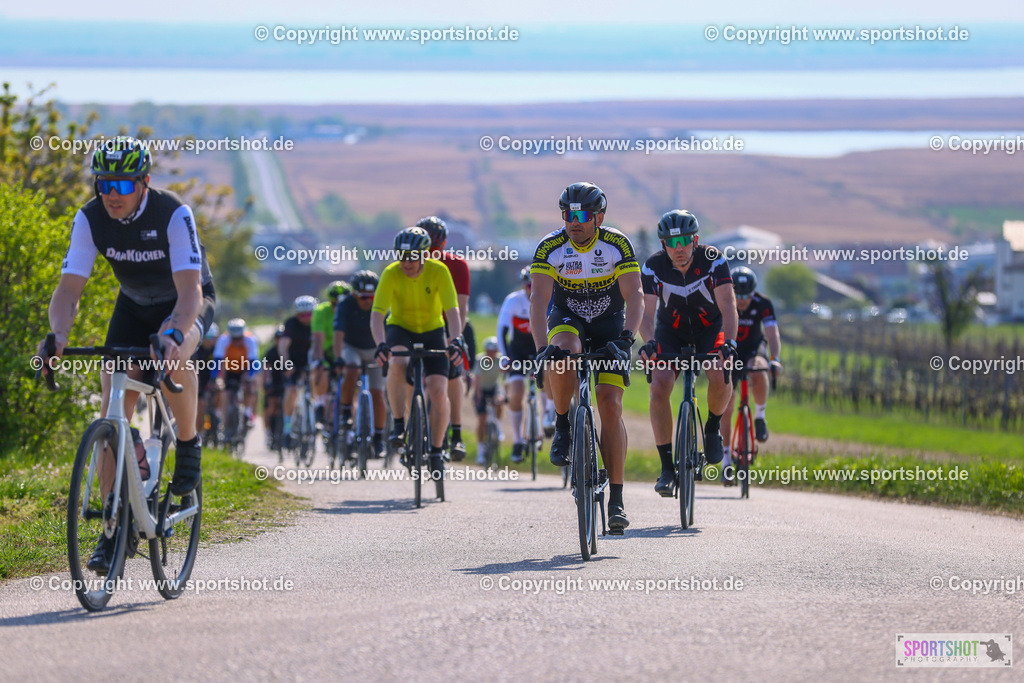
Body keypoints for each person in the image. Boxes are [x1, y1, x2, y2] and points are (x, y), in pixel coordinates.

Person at [39, 135, 215, 574]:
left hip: (184, 302)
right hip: (133, 307)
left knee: (174, 355)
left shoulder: (172, 212)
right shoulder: (90, 217)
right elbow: (68, 290)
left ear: (143, 182)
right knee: (111, 410)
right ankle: (112, 529)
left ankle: (188, 444)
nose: (111, 194)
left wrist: (173, 333)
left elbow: (191, 291)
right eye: (103, 184)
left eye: (121, 185)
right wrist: (58, 335)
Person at [530, 181, 644, 533]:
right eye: (568, 215)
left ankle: (617, 499)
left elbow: (635, 296)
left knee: (610, 405)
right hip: (568, 318)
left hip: (610, 324)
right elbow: (538, 300)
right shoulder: (551, 247)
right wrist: (541, 348)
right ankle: (563, 424)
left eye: (582, 216)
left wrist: (628, 338)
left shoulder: (616, 244)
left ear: (599, 218)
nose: (573, 222)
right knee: (564, 352)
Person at [637, 210, 738, 498]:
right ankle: (667, 468)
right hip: (671, 331)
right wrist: (650, 342)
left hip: (709, 329)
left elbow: (728, 305)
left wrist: (730, 342)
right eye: (671, 242)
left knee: (720, 371)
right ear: (663, 244)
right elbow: (646, 312)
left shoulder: (713, 260)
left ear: (695, 240)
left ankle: (712, 427)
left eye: (684, 241)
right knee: (659, 385)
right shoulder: (653, 266)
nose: (678, 248)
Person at [372, 227, 466, 475]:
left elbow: (453, 312)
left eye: (412, 257)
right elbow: (377, 314)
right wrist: (380, 343)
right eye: (402, 257)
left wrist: (456, 340)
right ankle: (398, 425)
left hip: (433, 330)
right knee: (397, 363)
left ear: (425, 255)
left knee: (438, 388)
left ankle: (436, 450)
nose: (406, 263)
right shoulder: (391, 273)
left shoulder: (439, 271)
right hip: (400, 328)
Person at [720, 266, 782, 483]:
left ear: (754, 292)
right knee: (727, 402)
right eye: (738, 295)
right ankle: (726, 459)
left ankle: (760, 416)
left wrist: (775, 358)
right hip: (731, 352)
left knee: (760, 368)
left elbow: (772, 333)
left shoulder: (763, 303)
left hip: (754, 348)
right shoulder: (723, 301)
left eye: (747, 295)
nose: (743, 300)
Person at [416, 216, 470, 461]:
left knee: (454, 372)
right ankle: (410, 427)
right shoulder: (410, 265)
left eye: (436, 248)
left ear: (444, 244)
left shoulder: (457, 265)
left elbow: (461, 307)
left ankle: (456, 432)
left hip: (449, 324)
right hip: (419, 324)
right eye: (427, 248)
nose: (431, 254)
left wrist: (454, 338)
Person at [333, 270, 387, 458]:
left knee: (378, 393)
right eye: (363, 297)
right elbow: (338, 333)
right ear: (354, 294)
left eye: (371, 297)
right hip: (352, 347)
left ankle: (378, 437)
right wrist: (338, 357)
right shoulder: (344, 304)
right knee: (352, 369)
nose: (367, 301)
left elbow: (390, 330)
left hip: (374, 349)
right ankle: (347, 409)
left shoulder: (383, 303)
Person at [497, 267, 545, 463]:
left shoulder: (548, 298)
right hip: (517, 352)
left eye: (535, 285)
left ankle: (547, 419)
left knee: (548, 384)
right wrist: (505, 357)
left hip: (539, 349)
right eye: (528, 285)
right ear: (524, 285)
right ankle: (517, 441)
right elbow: (502, 330)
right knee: (516, 392)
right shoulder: (513, 301)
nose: (531, 288)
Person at [311, 280, 350, 425]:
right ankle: (320, 403)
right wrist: (320, 360)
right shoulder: (321, 311)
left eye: (341, 304)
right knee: (320, 370)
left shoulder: (351, 310)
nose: (338, 307)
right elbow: (318, 340)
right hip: (327, 351)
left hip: (346, 351)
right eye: (334, 304)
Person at [279, 295, 316, 445]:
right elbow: (283, 345)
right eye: (302, 315)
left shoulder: (318, 322)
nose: (306, 318)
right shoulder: (291, 323)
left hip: (311, 360)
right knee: (291, 391)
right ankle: (287, 427)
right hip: (293, 361)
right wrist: (286, 363)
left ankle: (316, 418)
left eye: (309, 314)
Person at [211, 318, 259, 429]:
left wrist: (249, 376)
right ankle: (224, 419)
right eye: (234, 339)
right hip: (229, 370)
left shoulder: (250, 339)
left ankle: (247, 414)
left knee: (250, 387)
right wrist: (216, 378)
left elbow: (254, 362)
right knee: (225, 392)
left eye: (239, 338)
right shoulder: (223, 339)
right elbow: (217, 361)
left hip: (245, 369)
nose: (237, 341)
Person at [473, 337, 504, 465]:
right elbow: (477, 380)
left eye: (494, 351)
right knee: (481, 419)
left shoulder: (500, 359)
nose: (491, 353)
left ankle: (497, 425)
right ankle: (480, 451)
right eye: (489, 351)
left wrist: (502, 393)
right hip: (481, 389)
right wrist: (478, 396)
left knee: (499, 402)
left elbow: (504, 377)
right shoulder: (480, 360)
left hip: (494, 388)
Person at [263, 325, 288, 451]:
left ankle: (287, 435)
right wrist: (267, 384)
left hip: (286, 383)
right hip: (273, 382)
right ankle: (270, 433)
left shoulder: (288, 351)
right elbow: (266, 370)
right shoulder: (271, 353)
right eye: (278, 338)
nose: (280, 340)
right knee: (271, 407)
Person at [195, 322, 218, 436]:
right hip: (199, 381)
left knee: (221, 391)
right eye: (207, 337)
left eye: (212, 337)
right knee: (201, 407)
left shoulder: (217, 350)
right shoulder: (196, 350)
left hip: (211, 380)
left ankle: (218, 415)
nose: (210, 340)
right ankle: (198, 433)